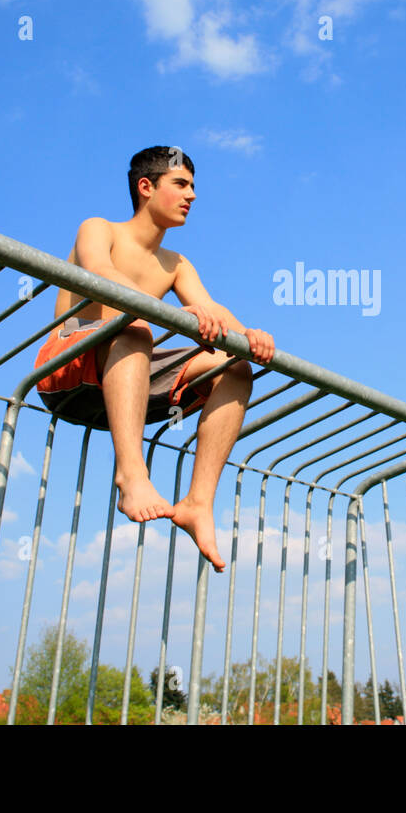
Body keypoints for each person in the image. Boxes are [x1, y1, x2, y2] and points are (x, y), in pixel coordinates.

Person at [32, 146, 274, 573]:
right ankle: (132, 476)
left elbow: (213, 312)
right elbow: (100, 275)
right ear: (146, 187)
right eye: (181, 184)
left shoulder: (177, 264)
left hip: (130, 378)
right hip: (67, 370)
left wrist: (248, 336)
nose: (192, 196)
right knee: (135, 323)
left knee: (233, 366)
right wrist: (172, 315)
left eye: (194, 187)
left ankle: (198, 503)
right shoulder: (99, 228)